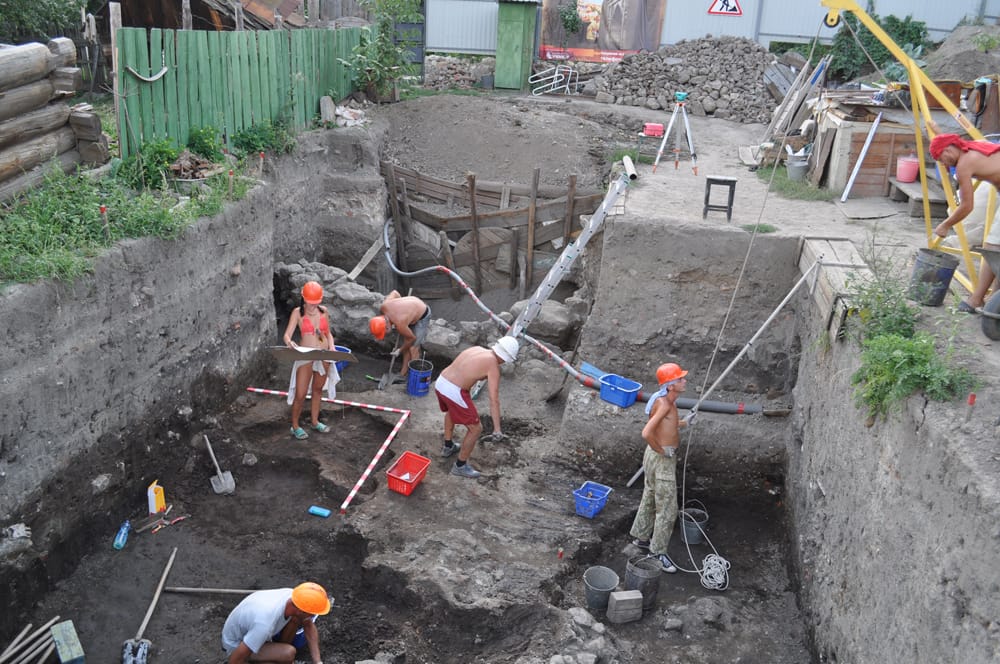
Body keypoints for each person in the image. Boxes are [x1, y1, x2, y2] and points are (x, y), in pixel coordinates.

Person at [629, 362, 694, 574]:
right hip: (661, 458)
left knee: (650, 496)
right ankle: (657, 552)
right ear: (670, 385)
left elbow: (667, 423)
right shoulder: (665, 404)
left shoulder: (665, 401)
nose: (684, 381)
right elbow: (647, 433)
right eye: (680, 379)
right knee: (667, 508)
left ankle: (641, 537)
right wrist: (662, 451)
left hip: (652, 457)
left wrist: (684, 423)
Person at [929, 133, 1000, 312]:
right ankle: (993, 299)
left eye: (941, 159)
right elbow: (945, 139)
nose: (943, 164)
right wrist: (935, 130)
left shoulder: (964, 165)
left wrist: (945, 225)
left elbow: (967, 206)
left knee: (993, 247)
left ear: (948, 149)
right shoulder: (972, 148)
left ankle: (976, 300)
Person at [433, 336, 519, 479]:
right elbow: (494, 400)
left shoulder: (477, 349)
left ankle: (448, 446)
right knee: (476, 429)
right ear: (506, 358)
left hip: (441, 381)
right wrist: (497, 429)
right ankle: (460, 466)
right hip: (454, 390)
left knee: (452, 411)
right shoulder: (493, 367)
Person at [221, 581, 331, 664]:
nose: (313, 616)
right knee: (288, 653)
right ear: (301, 610)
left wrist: (318, 662)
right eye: (311, 614)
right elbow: (234, 660)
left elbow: (308, 625)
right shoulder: (264, 623)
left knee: (296, 619)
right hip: (236, 646)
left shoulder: (294, 597)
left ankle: (277, 652)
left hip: (253, 633)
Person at [282, 281, 339, 440]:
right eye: (310, 302)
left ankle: (314, 421)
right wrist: (289, 342)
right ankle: (295, 426)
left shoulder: (324, 311)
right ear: (304, 298)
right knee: (300, 394)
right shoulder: (297, 313)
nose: (313, 306)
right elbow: (286, 335)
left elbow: (328, 334)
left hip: (323, 354)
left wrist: (332, 347)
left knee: (318, 389)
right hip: (305, 355)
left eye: (316, 302)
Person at [369, 291, 432, 381]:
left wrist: (399, 350)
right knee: (406, 346)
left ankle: (415, 376)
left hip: (423, 314)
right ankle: (403, 373)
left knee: (413, 348)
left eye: (384, 332)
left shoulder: (399, 324)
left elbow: (411, 338)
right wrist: (402, 308)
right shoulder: (384, 307)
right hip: (411, 308)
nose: (385, 334)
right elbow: (395, 293)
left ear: (387, 327)